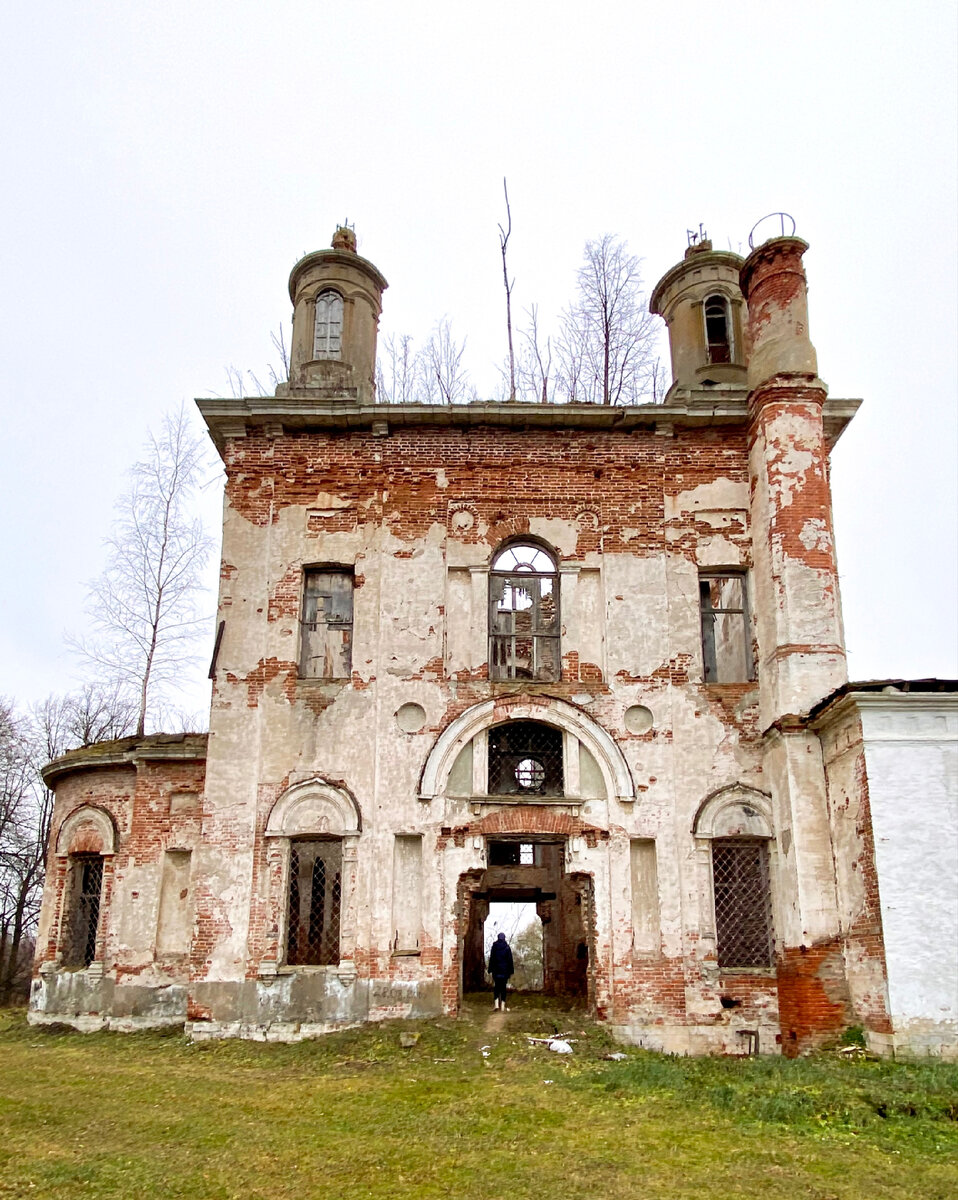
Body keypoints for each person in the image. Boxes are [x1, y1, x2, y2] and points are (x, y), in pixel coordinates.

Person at [488, 931, 514, 1011]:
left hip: (496, 971)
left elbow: (492, 958)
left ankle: (496, 1005)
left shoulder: (494, 947)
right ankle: (502, 1006)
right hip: (504, 971)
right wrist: (511, 971)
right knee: (503, 988)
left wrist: (490, 969)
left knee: (496, 987)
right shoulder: (507, 947)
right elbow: (510, 960)